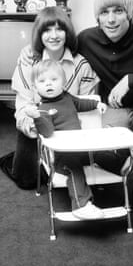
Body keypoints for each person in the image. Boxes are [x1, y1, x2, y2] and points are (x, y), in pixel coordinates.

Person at [18, 0, 133, 199]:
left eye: (118, 11)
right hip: (114, 111)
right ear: (97, 17)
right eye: (104, 12)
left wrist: (130, 80)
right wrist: (33, 50)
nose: (111, 19)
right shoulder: (88, 39)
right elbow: (60, 45)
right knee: (103, 154)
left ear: (130, 13)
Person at [10, 6, 100, 189]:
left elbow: (86, 107)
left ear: (67, 32)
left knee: (83, 173)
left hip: (70, 130)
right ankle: (15, 159)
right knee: (28, 181)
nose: (53, 36)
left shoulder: (82, 65)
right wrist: (28, 126)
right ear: (39, 34)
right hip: (40, 127)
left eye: (59, 29)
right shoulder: (28, 61)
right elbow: (23, 106)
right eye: (47, 30)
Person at [25, 59, 107, 219]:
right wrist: (37, 117)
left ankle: (122, 165)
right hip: (61, 156)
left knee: (102, 153)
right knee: (75, 169)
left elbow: (80, 103)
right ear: (35, 87)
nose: (48, 84)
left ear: (63, 82)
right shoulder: (43, 109)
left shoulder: (67, 97)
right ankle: (80, 205)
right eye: (42, 81)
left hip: (80, 148)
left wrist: (96, 105)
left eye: (53, 80)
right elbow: (47, 132)